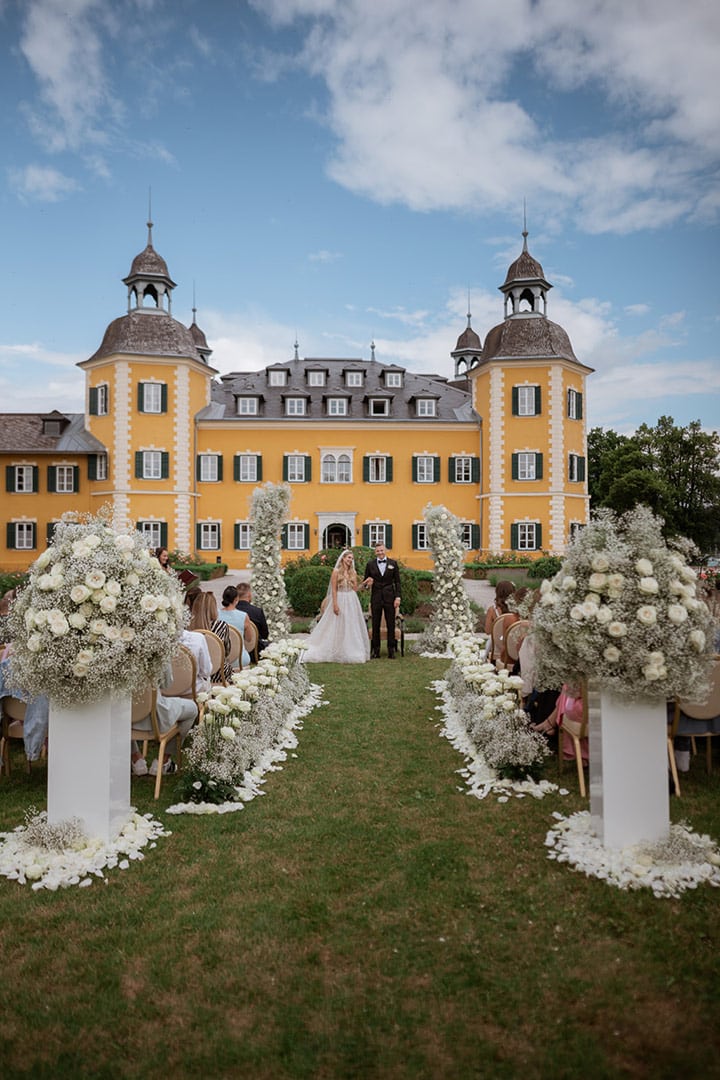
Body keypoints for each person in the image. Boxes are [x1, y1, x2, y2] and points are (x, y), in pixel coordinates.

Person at [302, 550, 370, 664]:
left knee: (350, 625)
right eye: (349, 558)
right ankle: (334, 649)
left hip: (352, 599)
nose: (350, 560)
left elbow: (355, 589)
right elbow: (333, 589)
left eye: (352, 558)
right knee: (337, 624)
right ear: (343, 558)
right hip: (340, 598)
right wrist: (335, 604)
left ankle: (350, 649)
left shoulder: (353, 572)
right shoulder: (336, 572)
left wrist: (365, 585)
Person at [131, 662, 199, 776]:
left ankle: (135, 759)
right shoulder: (159, 646)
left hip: (124, 718)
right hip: (155, 718)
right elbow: (166, 683)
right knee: (192, 709)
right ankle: (163, 761)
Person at [362, 543, 401, 659]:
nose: (380, 552)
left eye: (381, 550)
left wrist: (398, 597)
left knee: (391, 624)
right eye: (378, 551)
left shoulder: (393, 564)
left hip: (390, 597)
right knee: (375, 624)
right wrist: (368, 585)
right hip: (376, 597)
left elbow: (397, 582)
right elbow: (365, 583)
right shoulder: (370, 564)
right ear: (375, 552)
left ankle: (391, 650)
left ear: (385, 551)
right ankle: (376, 651)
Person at [188, 590, 233, 683]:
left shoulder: (187, 626)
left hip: (194, 674)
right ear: (214, 608)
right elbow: (226, 651)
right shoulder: (221, 626)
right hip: (218, 673)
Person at [214, 585, 253, 668]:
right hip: (240, 659)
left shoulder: (215, 614)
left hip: (220, 659)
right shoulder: (243, 616)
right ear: (236, 599)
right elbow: (249, 639)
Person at [235, 582, 270, 654]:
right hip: (254, 651)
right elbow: (265, 634)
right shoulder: (257, 611)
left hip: (234, 650)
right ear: (249, 595)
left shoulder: (231, 612)